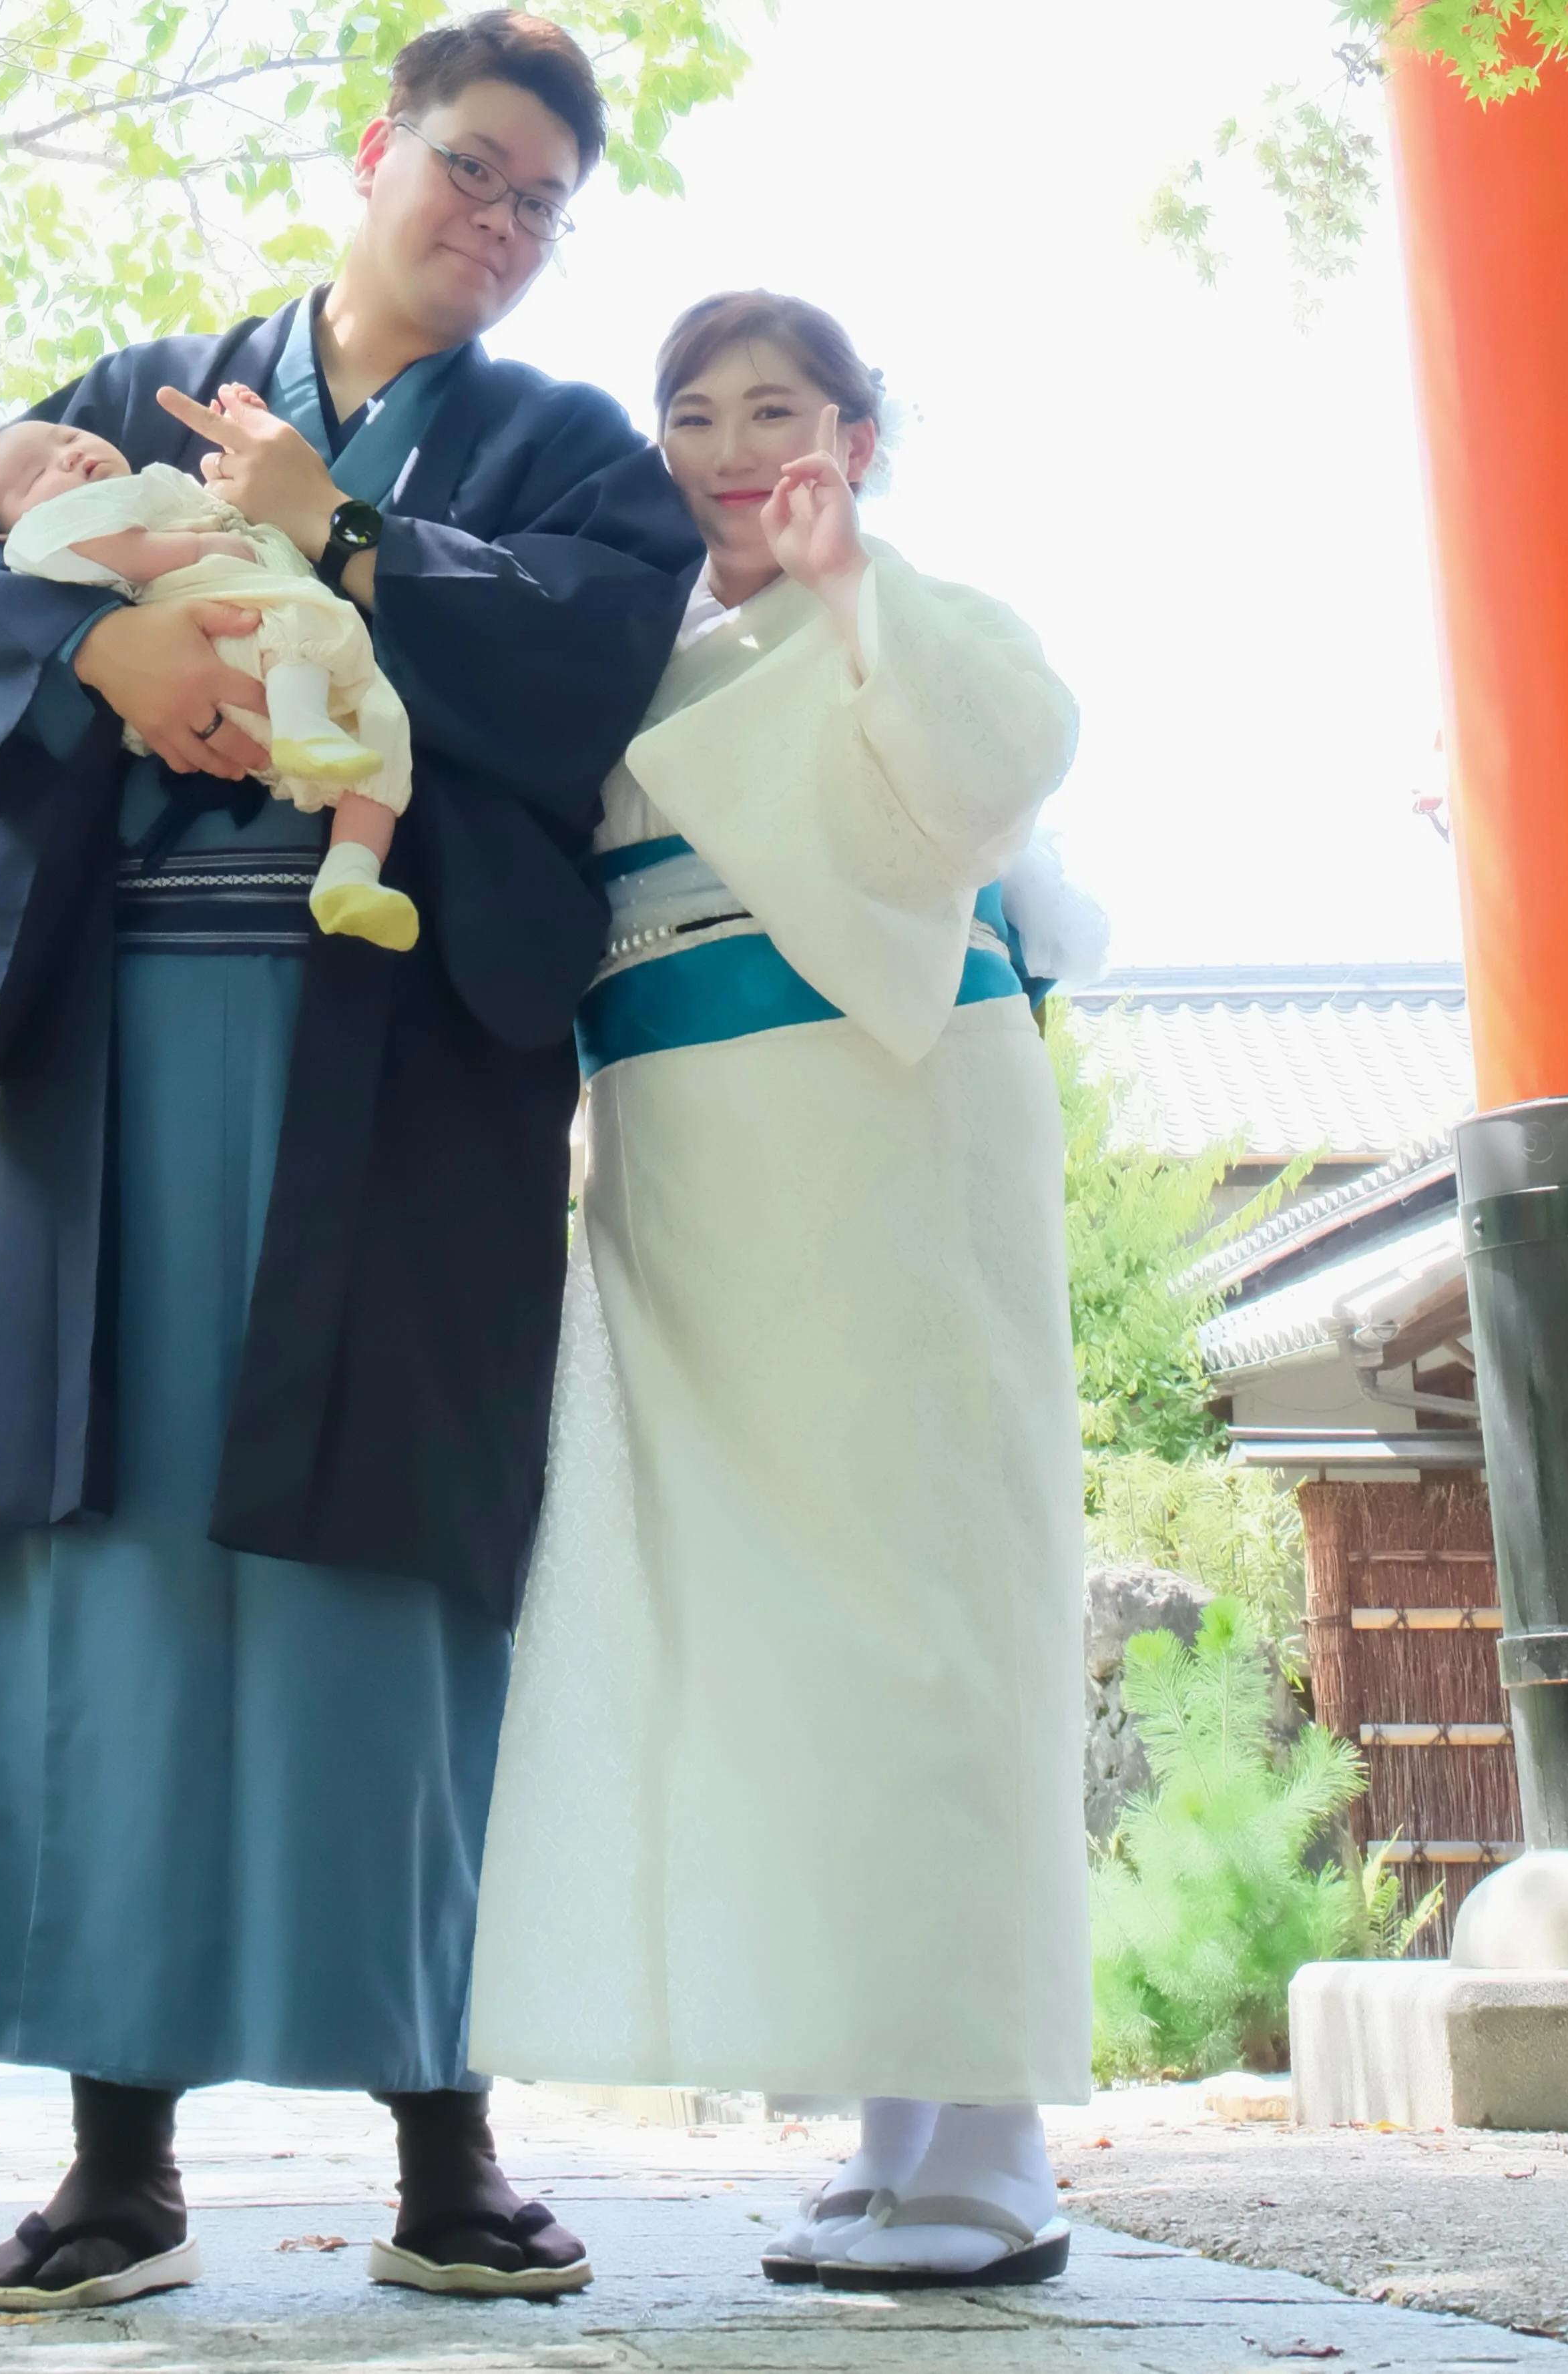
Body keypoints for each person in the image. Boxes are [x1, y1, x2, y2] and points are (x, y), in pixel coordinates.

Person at [0, 11, 698, 2311]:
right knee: (110, 1541)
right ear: (376, 150)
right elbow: (4, 553)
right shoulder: (160, 373)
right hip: (133, 1040)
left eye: (546, 199)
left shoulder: (568, 451)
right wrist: (111, 656)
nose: (502, 219)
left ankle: (444, 2134)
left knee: (399, 1556)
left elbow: (578, 670)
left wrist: (335, 528)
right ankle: (113, 2151)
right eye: (473, 165)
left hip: (400, 1052)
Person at [467, 289, 1097, 2291]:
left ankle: (989, 2148)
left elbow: (1000, 766)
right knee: (777, 1617)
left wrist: (850, 593)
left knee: (927, 1589)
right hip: (687, 1152)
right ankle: (891, 2121)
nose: (737, 449)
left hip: (891, 1125)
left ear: (856, 430)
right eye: (695, 416)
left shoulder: (911, 613)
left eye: (778, 410)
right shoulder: (634, 658)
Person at [0, 411, 419, 945]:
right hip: (215, 631)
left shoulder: (160, 486)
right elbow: (112, 550)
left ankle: (350, 874)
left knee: (382, 724)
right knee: (301, 622)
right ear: (6, 531)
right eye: (34, 475)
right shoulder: (63, 525)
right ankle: (303, 725)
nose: (66, 454)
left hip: (270, 670)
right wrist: (201, 547)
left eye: (66, 436)